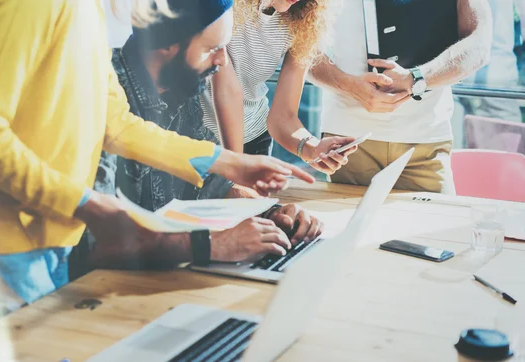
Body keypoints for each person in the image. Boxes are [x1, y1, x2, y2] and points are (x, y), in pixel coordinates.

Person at [0, 0, 314, 332]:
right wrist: (89, 204)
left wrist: (232, 163)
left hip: (46, 228)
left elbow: (116, 123)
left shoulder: (88, 10)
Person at [71, 5, 326, 276]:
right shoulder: (99, 101)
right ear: (166, 43)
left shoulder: (182, 92)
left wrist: (272, 215)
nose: (222, 61)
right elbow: (96, 246)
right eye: (211, 49)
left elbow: (213, 185)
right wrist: (209, 245)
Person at [309, 0, 493, 194]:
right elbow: (300, 48)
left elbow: (480, 44)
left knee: (436, 223)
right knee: (348, 224)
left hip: (425, 141)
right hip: (348, 141)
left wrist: (417, 78)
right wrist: (348, 86)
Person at [199, 0, 358, 175]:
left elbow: (283, 117)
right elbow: (228, 92)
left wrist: (312, 148)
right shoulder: (223, 6)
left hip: (253, 140)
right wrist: (236, 171)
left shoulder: (304, 18)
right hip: (193, 141)